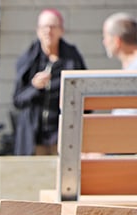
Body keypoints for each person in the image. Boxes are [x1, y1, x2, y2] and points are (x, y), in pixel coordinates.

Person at [13, 8, 86, 155]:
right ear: (38, 31)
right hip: (34, 138)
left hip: (63, 136)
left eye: (53, 27)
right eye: (44, 27)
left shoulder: (72, 58)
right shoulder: (29, 60)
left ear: (61, 30)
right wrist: (34, 87)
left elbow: (85, 95)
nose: (48, 31)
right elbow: (17, 101)